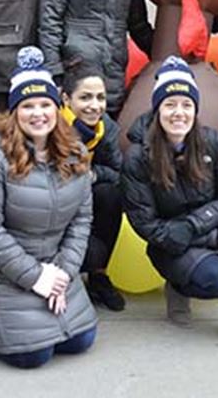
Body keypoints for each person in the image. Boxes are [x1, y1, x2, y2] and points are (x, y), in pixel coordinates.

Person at [0, 47, 98, 368]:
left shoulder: (73, 152)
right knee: (34, 355)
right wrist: (34, 278)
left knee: (80, 340)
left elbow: (82, 220)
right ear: (14, 111)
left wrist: (62, 273)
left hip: (50, 264)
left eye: (45, 104)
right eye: (27, 105)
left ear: (58, 108)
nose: (38, 113)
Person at [123, 57, 218, 351]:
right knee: (216, 280)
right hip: (170, 243)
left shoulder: (212, 143)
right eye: (170, 104)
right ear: (157, 109)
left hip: (205, 227)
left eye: (186, 105)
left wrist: (196, 225)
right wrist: (187, 232)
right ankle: (178, 286)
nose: (179, 112)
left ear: (195, 109)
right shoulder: (138, 158)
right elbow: (145, 223)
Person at [60, 66, 126, 311]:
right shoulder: (50, 123)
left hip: (86, 198)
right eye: (85, 97)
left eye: (100, 98)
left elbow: (120, 173)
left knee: (110, 194)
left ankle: (98, 276)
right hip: (52, 205)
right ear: (66, 99)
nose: (94, 106)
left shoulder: (105, 127)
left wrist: (94, 174)